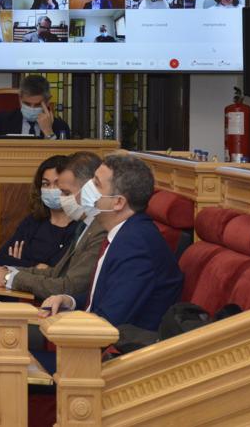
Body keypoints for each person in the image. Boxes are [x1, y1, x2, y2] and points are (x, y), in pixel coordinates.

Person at [37, 155, 184, 369]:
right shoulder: (124, 232)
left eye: (96, 184)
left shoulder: (137, 244)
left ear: (118, 202)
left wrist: (59, 323)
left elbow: (107, 322)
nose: (87, 188)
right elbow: (104, 297)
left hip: (117, 364)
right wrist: (68, 300)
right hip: (91, 348)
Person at [0, 152, 109, 300]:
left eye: (64, 192)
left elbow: (67, 286)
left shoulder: (99, 229)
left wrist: (8, 277)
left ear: (88, 190)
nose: (60, 197)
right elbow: (54, 273)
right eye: (46, 184)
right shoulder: (85, 225)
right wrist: (6, 271)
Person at [0, 156, 80, 271]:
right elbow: (0, 259)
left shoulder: (79, 227)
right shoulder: (33, 221)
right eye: (46, 184)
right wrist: (37, 267)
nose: (51, 189)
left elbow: (58, 272)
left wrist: (19, 263)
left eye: (57, 184)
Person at [0, 74, 71, 139]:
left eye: (37, 105)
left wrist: (49, 133)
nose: (32, 109)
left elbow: (63, 161)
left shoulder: (60, 127)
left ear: (47, 102)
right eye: (27, 104)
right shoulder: (2, 121)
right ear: (20, 99)